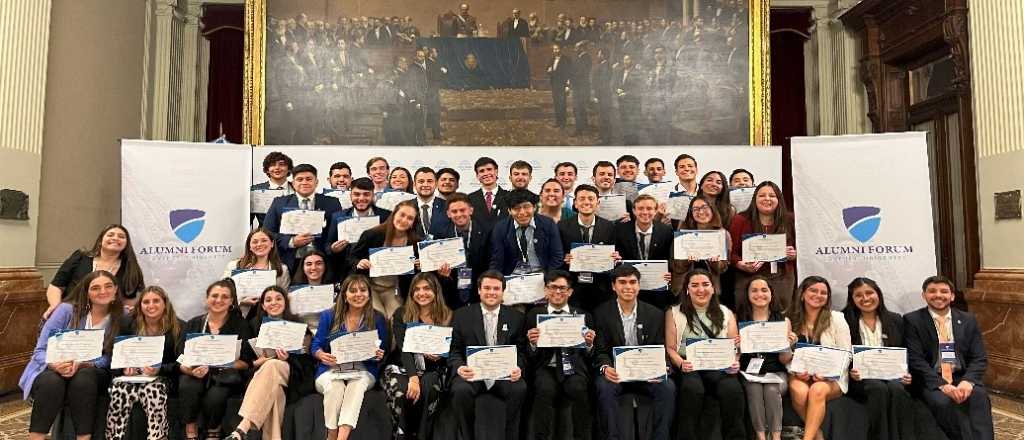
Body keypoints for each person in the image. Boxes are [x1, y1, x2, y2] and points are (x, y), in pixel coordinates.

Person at [21, 270, 122, 440]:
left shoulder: (121, 317)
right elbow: (39, 351)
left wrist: (86, 363)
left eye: (108, 286)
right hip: (54, 366)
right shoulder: (66, 310)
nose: (102, 291)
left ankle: (83, 438)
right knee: (51, 381)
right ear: (86, 292)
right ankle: (35, 437)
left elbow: (112, 357)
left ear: (116, 289)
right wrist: (54, 365)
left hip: (92, 371)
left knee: (84, 377)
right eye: (95, 288)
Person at [904, 276, 993, 440]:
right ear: (924, 295)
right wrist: (942, 385)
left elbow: (979, 357)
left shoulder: (968, 320)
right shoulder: (912, 320)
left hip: (961, 375)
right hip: (932, 378)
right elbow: (916, 360)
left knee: (979, 398)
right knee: (942, 402)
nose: (938, 295)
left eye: (944, 291)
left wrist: (968, 381)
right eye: (932, 291)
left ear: (952, 296)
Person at [592, 264, 674, 440]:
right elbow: (600, 351)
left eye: (632, 282)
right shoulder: (600, 313)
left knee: (667, 387)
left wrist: (663, 367)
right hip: (617, 373)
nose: (628, 287)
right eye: (622, 282)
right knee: (603, 387)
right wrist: (606, 368)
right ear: (614, 286)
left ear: (639, 285)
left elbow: (660, 347)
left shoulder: (655, 314)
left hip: (646, 374)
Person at [226, 286, 317, 440]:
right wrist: (256, 363)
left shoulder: (298, 326)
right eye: (268, 300)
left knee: (274, 365)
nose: (273, 302)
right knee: (274, 386)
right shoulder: (253, 325)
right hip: (262, 379)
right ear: (262, 305)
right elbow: (247, 362)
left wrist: (288, 358)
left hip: (293, 377)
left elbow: (308, 362)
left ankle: (243, 428)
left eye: (278, 298)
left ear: (285, 302)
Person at [448, 270, 528, 440]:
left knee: (519, 388)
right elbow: (454, 350)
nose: (491, 292)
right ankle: (466, 435)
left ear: (502, 292)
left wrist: (518, 368)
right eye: (487, 288)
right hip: (472, 374)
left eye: (496, 289)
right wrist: (460, 368)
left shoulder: (517, 318)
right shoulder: (461, 315)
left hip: (504, 375)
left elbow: (521, 351)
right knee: (460, 390)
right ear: (479, 290)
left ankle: (510, 435)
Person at [666, 269, 745, 440]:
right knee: (692, 389)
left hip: (719, 366)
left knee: (732, 389)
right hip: (689, 366)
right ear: (687, 289)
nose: (700, 289)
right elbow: (671, 348)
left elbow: (735, 346)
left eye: (705, 284)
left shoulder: (726, 312)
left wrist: (735, 361)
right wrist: (680, 363)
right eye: (694, 285)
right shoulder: (674, 313)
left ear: (713, 287)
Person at [310, 274, 389, 440]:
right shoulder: (328, 315)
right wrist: (320, 354)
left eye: (363, 290)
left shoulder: (377, 318)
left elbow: (382, 349)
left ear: (369, 294)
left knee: (357, 385)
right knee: (335, 387)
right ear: (344, 295)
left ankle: (341, 438)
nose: (358, 294)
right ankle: (331, 434)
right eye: (352, 290)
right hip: (331, 369)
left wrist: (378, 354)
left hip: (363, 369)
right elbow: (315, 345)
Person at [179, 279, 256, 440]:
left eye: (224, 297)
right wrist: (191, 371)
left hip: (225, 375)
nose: (219, 300)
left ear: (231, 301)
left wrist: (221, 363)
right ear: (207, 299)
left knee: (216, 396)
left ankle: (214, 428)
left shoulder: (241, 325)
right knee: (188, 386)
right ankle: (190, 428)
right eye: (214, 296)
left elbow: (246, 362)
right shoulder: (193, 324)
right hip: (196, 372)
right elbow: (181, 359)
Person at [525, 270, 597, 440]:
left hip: (574, 367)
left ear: (570, 292)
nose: (558, 292)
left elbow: (591, 355)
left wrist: (589, 344)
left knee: (579, 388)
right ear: (545, 290)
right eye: (553, 287)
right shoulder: (534, 315)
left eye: (562, 288)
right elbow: (528, 354)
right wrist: (532, 343)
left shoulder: (583, 316)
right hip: (546, 366)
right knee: (544, 389)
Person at [105, 286, 183, 440]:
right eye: (146, 302)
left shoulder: (178, 327)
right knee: (121, 388)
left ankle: (158, 436)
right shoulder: (127, 323)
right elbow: (115, 355)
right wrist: (123, 369)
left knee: (152, 388)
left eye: (156, 301)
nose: (151, 305)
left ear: (165, 303)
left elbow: (181, 362)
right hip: (131, 377)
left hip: (163, 377)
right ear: (140, 305)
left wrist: (160, 370)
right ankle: (114, 436)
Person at [841, 277, 915, 440]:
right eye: (858, 295)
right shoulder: (844, 320)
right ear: (852, 299)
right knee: (878, 388)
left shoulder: (895, 319)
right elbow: (839, 353)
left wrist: (908, 374)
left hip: (893, 376)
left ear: (878, 294)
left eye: (869, 293)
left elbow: (907, 351)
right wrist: (849, 370)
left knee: (897, 389)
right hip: (860, 379)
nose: (865, 298)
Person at [383, 273, 453, 440]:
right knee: (401, 390)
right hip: (403, 366)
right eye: (417, 289)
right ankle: (400, 435)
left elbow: (451, 349)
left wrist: (440, 356)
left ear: (436, 291)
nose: (422, 293)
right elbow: (404, 348)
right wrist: (413, 378)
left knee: (430, 386)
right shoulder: (401, 314)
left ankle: (423, 435)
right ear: (411, 293)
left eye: (427, 288)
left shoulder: (447, 315)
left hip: (433, 368)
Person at [786, 276, 851, 440]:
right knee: (800, 392)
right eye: (813, 290)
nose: (818, 295)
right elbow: (784, 354)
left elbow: (846, 354)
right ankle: (818, 434)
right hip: (799, 375)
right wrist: (795, 372)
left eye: (824, 293)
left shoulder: (836, 318)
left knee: (817, 390)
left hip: (830, 378)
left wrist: (827, 374)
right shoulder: (789, 318)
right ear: (802, 294)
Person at [735, 277, 796, 440]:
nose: (759, 294)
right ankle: (760, 436)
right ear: (747, 295)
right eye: (754, 290)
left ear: (771, 293)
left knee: (771, 389)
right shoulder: (738, 319)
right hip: (749, 372)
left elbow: (785, 359)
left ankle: (776, 437)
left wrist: (788, 345)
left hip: (776, 373)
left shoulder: (783, 321)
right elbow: (735, 358)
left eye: (764, 290)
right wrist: (737, 347)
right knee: (754, 388)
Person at [45, 224, 145, 318]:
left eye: (121, 236)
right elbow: (56, 286)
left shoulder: (130, 268)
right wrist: (57, 309)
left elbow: (129, 302)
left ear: (126, 244)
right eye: (110, 235)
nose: (115, 238)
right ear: (101, 240)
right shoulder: (80, 257)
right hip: (72, 316)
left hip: (108, 321)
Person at [264, 163, 344, 273]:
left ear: (316, 182)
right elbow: (267, 233)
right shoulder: (279, 203)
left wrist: (333, 247)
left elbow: (337, 234)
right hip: (290, 262)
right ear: (293, 183)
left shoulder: (331, 203)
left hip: (323, 262)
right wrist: (291, 241)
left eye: (309, 179)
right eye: (300, 179)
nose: (304, 182)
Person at [729, 181, 797, 310]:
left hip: (781, 279)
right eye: (762, 195)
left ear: (779, 199)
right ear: (755, 198)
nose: (767, 199)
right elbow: (730, 253)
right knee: (749, 320)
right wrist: (739, 264)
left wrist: (794, 254)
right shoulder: (740, 220)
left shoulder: (790, 220)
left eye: (772, 195)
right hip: (747, 279)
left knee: (779, 320)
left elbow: (804, 250)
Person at [350, 200, 422, 317]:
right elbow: (351, 257)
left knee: (396, 318)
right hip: (369, 286)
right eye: (402, 215)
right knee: (378, 317)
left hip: (394, 288)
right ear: (394, 214)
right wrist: (359, 262)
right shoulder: (372, 234)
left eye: (410, 218)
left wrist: (418, 266)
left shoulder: (415, 242)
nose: (404, 220)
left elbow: (415, 273)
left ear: (414, 223)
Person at [559, 184, 618, 311]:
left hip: (601, 288)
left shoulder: (610, 227)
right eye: (582, 198)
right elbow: (557, 256)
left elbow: (617, 258)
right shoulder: (562, 226)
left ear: (598, 202)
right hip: (573, 287)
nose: (586, 202)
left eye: (591, 199)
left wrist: (616, 258)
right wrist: (564, 258)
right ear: (575, 203)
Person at [429, 192, 493, 309]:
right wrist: (444, 275)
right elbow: (435, 267)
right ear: (448, 214)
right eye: (454, 211)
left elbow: (491, 262)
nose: (459, 214)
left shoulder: (487, 231)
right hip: (451, 291)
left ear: (471, 210)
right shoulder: (441, 234)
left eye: (462, 210)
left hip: (480, 289)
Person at [326, 177, 393, 284]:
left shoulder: (386, 216)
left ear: (373, 196)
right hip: (347, 274)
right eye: (357, 194)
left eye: (366, 194)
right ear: (350, 195)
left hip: (378, 274)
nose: (361, 198)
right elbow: (327, 246)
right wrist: (333, 249)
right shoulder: (337, 217)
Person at [613, 194, 674, 309]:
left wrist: (670, 274)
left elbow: (669, 258)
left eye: (649, 208)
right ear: (634, 211)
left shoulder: (666, 232)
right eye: (640, 208)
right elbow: (616, 259)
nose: (645, 212)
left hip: (657, 290)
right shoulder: (620, 230)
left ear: (656, 211)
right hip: (628, 287)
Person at [489, 189, 565, 275]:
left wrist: (547, 279)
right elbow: (497, 261)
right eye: (516, 208)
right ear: (509, 211)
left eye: (526, 207)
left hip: (541, 276)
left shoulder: (548, 224)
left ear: (535, 207)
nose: (522, 212)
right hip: (512, 278)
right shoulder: (500, 228)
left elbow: (557, 257)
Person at [224, 227, 292, 319]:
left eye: (264, 240)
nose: (259, 244)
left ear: (272, 244)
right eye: (255, 242)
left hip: (269, 319)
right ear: (250, 246)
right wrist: (241, 301)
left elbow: (284, 298)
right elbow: (223, 294)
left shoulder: (282, 270)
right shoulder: (234, 266)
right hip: (240, 317)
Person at [670, 196, 730, 297]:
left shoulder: (722, 234)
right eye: (695, 209)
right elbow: (674, 266)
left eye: (704, 207)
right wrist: (686, 261)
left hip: (711, 289)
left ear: (712, 210)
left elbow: (723, 268)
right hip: (683, 288)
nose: (701, 212)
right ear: (691, 213)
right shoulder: (681, 235)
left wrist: (715, 263)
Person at [467, 157, 509, 226]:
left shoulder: (509, 196)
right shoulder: (470, 199)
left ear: (496, 172)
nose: (486, 173)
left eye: (489, 169)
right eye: (482, 171)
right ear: (477, 176)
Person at [412, 167, 450, 239]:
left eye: (429, 181)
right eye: (421, 181)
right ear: (414, 184)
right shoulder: (405, 207)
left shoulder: (447, 206)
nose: (425, 185)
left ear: (436, 184)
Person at [614, 54, 643, 145]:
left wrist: (626, 94)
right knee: (624, 123)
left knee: (633, 125)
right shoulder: (620, 71)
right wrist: (620, 93)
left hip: (633, 103)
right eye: (624, 59)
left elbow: (638, 88)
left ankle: (634, 143)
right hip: (622, 102)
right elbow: (615, 85)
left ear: (632, 61)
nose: (626, 62)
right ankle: (626, 141)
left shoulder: (637, 73)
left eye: (628, 59)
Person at [548, 43, 574, 129]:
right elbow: (547, 68)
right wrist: (549, 70)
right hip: (555, 84)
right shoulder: (552, 59)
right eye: (554, 49)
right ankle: (558, 121)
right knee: (556, 103)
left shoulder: (566, 59)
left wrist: (567, 86)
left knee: (562, 104)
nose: (555, 51)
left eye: (557, 49)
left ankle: (563, 123)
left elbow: (569, 73)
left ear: (561, 49)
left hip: (562, 85)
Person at [572, 41, 592, 136]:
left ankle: (579, 129)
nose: (575, 49)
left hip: (581, 86)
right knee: (580, 107)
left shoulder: (586, 58)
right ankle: (584, 125)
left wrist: (572, 79)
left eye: (576, 47)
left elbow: (581, 73)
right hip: (578, 85)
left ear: (582, 48)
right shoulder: (579, 57)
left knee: (577, 108)